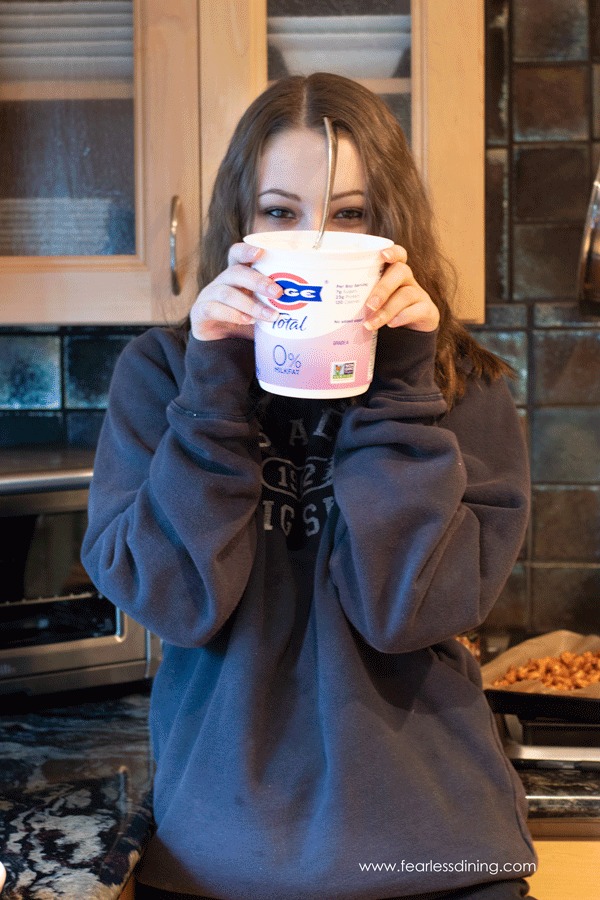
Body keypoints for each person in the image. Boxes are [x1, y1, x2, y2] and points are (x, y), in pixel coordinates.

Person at [82, 73, 538, 900]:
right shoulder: (163, 375)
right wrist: (216, 376)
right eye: (282, 213)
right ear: (240, 225)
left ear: (389, 229)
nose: (317, 244)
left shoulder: (460, 385)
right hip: (220, 863)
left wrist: (402, 382)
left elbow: (406, 612)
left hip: (439, 856)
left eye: (351, 215)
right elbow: (176, 601)